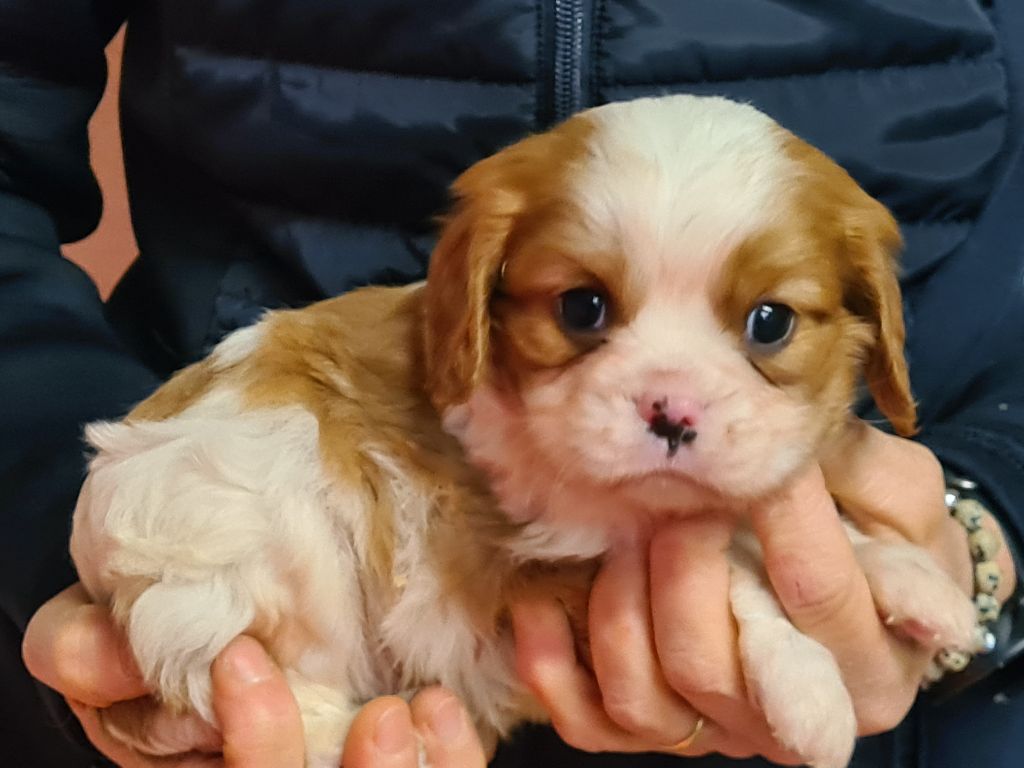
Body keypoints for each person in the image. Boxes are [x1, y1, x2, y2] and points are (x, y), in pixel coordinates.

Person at [4, 1, 1023, 766]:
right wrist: (39, 519)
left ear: (869, 328)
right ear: (474, 303)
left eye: (763, 325)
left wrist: (982, 509)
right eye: (584, 313)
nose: (672, 398)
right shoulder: (482, 397)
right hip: (240, 594)